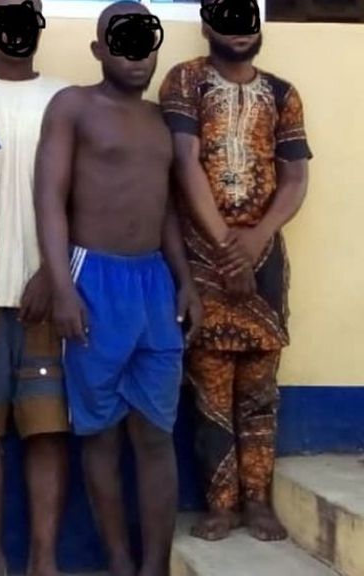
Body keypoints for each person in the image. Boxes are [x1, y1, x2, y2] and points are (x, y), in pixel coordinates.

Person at [34, 3, 202, 575]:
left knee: (156, 435)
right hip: (92, 280)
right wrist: (62, 286)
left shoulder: (161, 120)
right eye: (123, 42)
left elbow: (167, 210)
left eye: (145, 42)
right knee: (101, 435)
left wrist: (185, 281)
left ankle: (155, 567)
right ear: (99, 50)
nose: (137, 56)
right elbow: (49, 199)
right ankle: (118, 563)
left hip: (154, 283)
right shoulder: (74, 106)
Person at [159, 0, 311, 542]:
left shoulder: (283, 93)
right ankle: (220, 505)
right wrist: (227, 247)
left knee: (260, 389)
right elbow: (184, 161)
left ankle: (259, 503)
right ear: (206, 26)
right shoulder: (186, 81)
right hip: (204, 260)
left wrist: (257, 237)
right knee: (210, 387)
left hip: (264, 258)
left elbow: (295, 177)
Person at [0, 1, 69, 575]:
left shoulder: (65, 99)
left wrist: (53, 273)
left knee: (47, 433)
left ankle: (44, 560)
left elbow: (81, 192)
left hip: (48, 298)